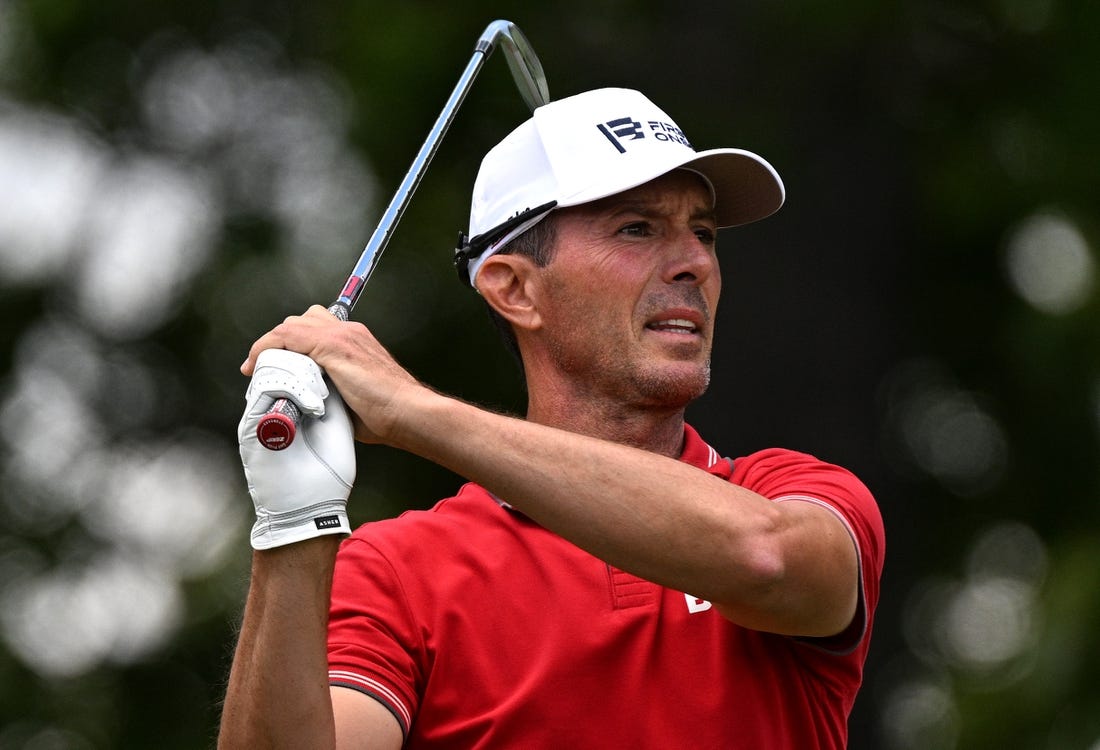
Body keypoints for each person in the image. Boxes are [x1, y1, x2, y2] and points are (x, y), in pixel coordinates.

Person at [219, 87, 885, 749]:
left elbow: (769, 558)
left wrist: (413, 411)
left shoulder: (793, 493)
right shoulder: (402, 570)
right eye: (638, 228)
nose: (696, 263)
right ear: (514, 288)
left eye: (703, 232)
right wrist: (292, 526)